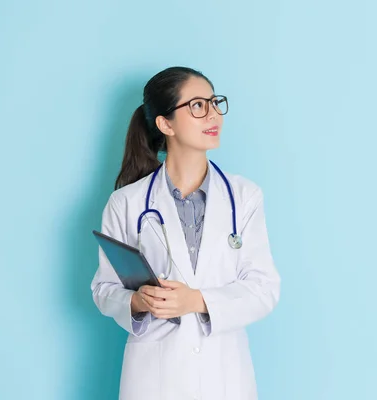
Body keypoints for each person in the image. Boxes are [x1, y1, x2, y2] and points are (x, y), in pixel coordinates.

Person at [90, 66, 280, 400]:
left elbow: (264, 290)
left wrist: (196, 300)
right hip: (154, 380)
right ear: (165, 124)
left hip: (225, 378)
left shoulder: (244, 197)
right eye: (197, 106)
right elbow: (103, 289)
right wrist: (135, 301)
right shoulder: (126, 203)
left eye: (214, 102)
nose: (213, 115)